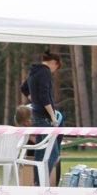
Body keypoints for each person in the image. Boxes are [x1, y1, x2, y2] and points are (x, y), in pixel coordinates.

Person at [20, 50, 62, 186]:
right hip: (44, 117)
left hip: (35, 115)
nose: (54, 71)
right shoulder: (45, 71)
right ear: (54, 62)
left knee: (39, 152)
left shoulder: (34, 71)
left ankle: (37, 183)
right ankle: (42, 183)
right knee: (53, 154)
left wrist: (34, 100)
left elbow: (23, 88)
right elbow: (44, 94)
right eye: (56, 68)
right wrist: (52, 116)